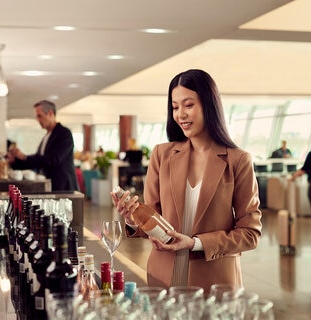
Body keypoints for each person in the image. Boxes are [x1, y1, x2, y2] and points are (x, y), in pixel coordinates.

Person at [110, 69, 262, 292]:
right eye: (175, 107)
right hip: (163, 276)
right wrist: (133, 219)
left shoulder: (238, 160)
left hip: (215, 282)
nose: (180, 115)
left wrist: (195, 243)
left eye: (188, 105)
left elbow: (250, 233)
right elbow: (154, 220)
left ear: (209, 106)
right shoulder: (162, 155)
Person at [7, 99, 79, 191]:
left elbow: (54, 159)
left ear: (50, 113)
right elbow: (39, 160)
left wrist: (24, 157)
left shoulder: (64, 133)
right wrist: (15, 161)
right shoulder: (47, 136)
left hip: (63, 187)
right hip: (51, 186)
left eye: (39, 116)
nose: (37, 120)